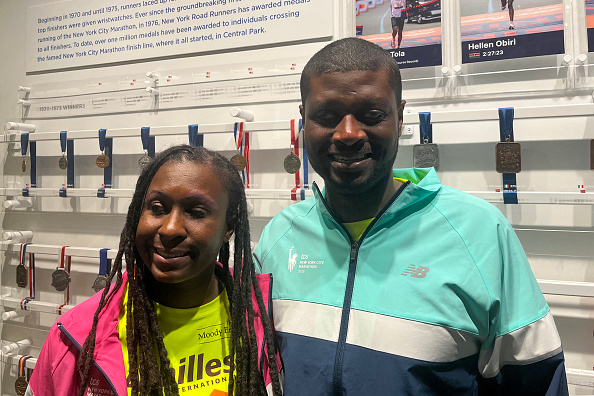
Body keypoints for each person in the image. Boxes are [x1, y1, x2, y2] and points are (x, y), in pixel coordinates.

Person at [254, 37, 568, 395]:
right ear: (303, 120)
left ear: (400, 116)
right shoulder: (279, 237)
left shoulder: (479, 231)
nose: (348, 134)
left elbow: (538, 382)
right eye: (326, 117)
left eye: (372, 115)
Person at [28, 145, 282, 396]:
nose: (170, 229)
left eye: (196, 212)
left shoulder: (263, 319)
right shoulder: (75, 337)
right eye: (157, 208)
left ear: (229, 227)